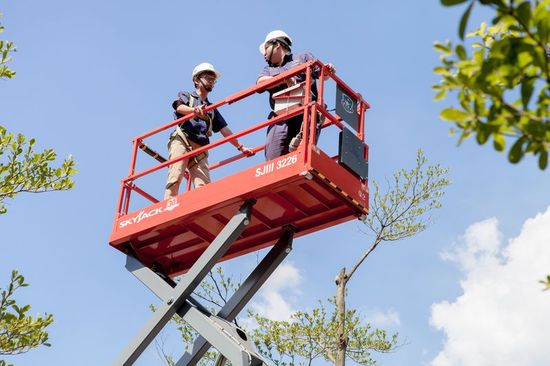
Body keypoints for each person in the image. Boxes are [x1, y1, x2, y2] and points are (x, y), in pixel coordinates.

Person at [164, 62, 253, 199]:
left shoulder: (212, 109)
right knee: (175, 176)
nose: (211, 82)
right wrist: (193, 110)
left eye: (213, 80)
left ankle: (200, 210)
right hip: (183, 140)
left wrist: (240, 147)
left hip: (200, 148)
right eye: (208, 78)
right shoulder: (187, 96)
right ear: (196, 80)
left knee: (203, 186)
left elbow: (225, 130)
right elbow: (179, 107)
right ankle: (167, 208)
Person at [256, 30, 335, 161]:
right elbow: (260, 83)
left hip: (305, 114)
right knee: (272, 159)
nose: (264, 54)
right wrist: (283, 78)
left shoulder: (302, 57)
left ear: (277, 45)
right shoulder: (268, 69)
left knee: (301, 155)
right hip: (280, 117)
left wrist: (328, 70)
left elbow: (322, 74)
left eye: (266, 48)